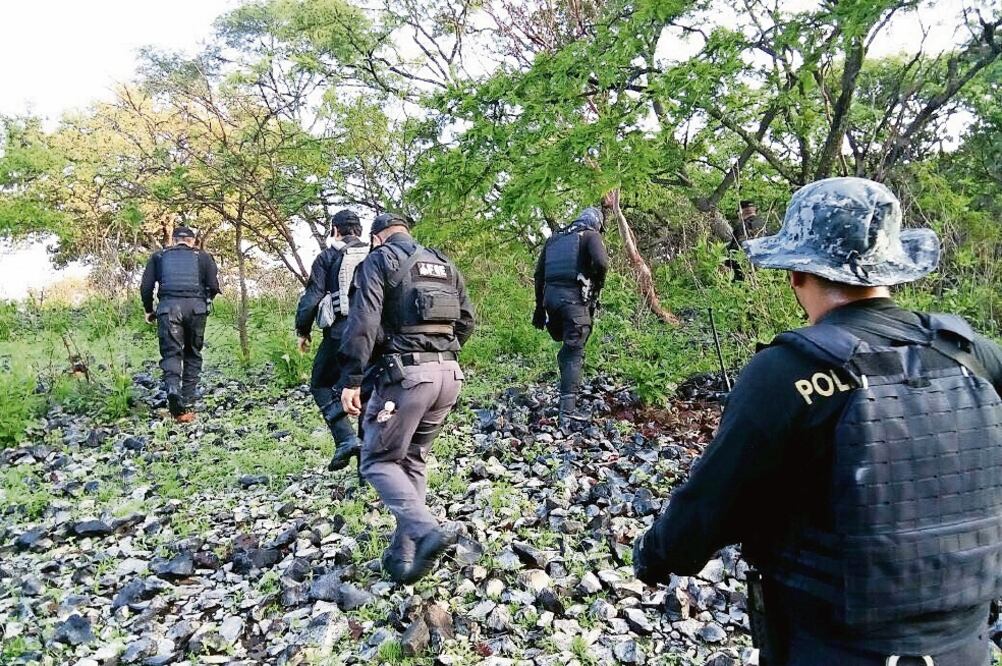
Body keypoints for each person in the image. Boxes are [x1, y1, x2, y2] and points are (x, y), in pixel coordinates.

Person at [633, 177, 1002, 666]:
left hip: (832, 646)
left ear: (796, 274)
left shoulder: (787, 372)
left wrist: (656, 555)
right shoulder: (974, 355)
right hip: (966, 644)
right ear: (893, 268)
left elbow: (712, 501)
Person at [338, 212, 476, 584]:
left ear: (377, 238)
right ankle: (405, 557)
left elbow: (362, 322)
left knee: (377, 461)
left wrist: (351, 378)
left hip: (407, 379)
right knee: (412, 458)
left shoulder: (378, 261)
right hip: (449, 376)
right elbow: (466, 321)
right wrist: (439, 354)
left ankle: (428, 530)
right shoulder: (443, 264)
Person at [295, 209, 369, 471]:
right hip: (375, 338)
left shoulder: (327, 257)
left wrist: (303, 330)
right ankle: (367, 467)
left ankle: (346, 438)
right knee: (368, 392)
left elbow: (312, 297)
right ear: (359, 230)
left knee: (321, 383)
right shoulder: (375, 254)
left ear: (335, 230)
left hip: (341, 333)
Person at [532, 207, 609, 427]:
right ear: (596, 223)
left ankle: (565, 366)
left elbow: (539, 275)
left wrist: (539, 308)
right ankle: (567, 413)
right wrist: (597, 285)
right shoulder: (590, 234)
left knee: (567, 343)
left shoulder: (554, 239)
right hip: (573, 302)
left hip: (551, 301)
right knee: (574, 349)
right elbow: (602, 263)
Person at [140, 226, 221, 422]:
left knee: (171, 353)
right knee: (193, 353)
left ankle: (173, 391)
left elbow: (146, 286)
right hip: (196, 308)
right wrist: (203, 301)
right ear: (193, 241)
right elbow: (214, 286)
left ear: (174, 240)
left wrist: (149, 310)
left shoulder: (159, 257)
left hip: (169, 309)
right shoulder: (203, 257)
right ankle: (189, 399)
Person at [723, 199, 766, 281]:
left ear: (740, 212)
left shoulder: (741, 227)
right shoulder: (766, 224)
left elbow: (734, 251)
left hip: (748, 274)